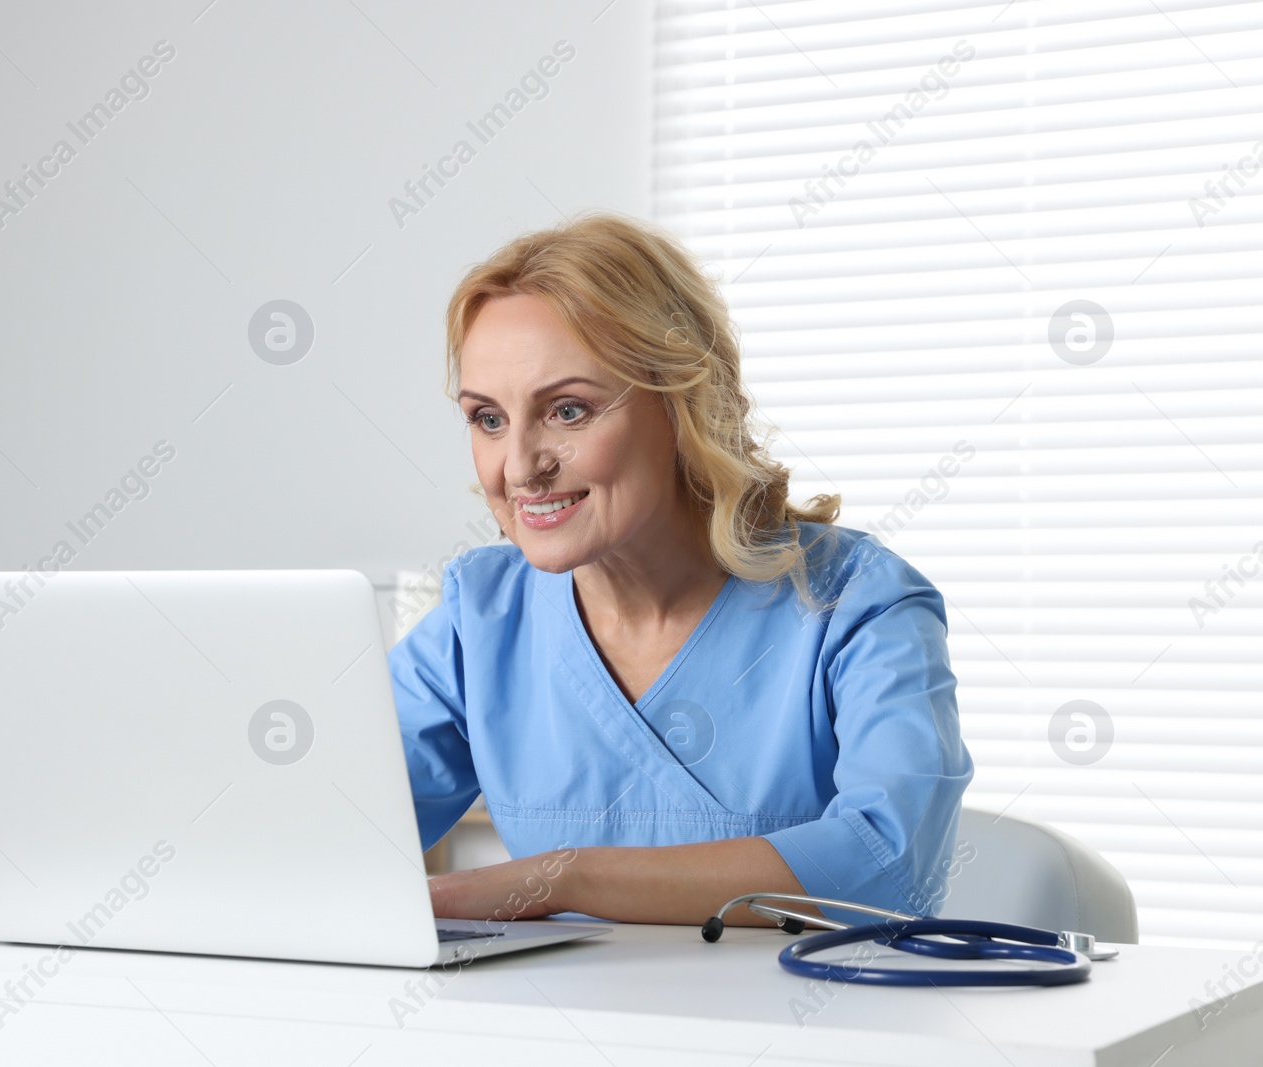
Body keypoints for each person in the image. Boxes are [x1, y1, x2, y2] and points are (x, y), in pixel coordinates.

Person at [389, 212, 973, 928]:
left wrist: (563, 878)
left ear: (680, 406)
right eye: (487, 418)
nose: (518, 468)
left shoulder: (858, 605)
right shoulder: (481, 618)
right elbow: (325, 831)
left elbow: (888, 870)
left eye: (568, 410)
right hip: (558, 1032)